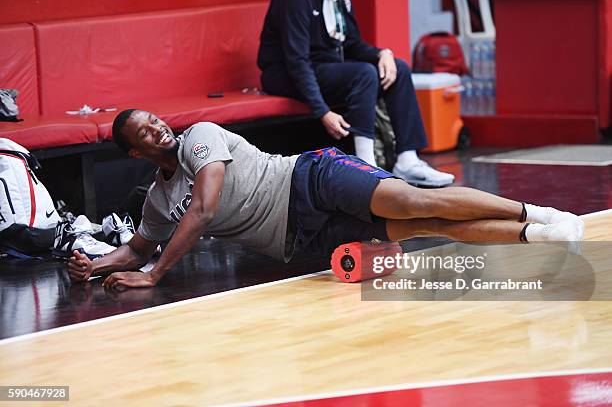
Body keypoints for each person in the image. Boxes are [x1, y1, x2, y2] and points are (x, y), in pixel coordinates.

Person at [67, 110, 583, 290]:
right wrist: (95, 264)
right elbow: (137, 246)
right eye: (146, 133)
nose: (158, 129)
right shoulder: (158, 199)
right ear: (136, 152)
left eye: (155, 120)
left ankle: (536, 211)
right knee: (432, 229)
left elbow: (203, 210)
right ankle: (535, 234)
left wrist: (157, 274)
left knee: (415, 203)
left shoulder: (201, 137)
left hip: (309, 179)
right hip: (301, 238)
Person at [257, 0, 454, 187]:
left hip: (324, 66)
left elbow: (351, 44)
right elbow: (297, 62)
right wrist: (323, 112)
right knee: (364, 74)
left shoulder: (339, 1)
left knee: (398, 68)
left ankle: (407, 160)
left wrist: (382, 54)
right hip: (285, 74)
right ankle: (366, 166)